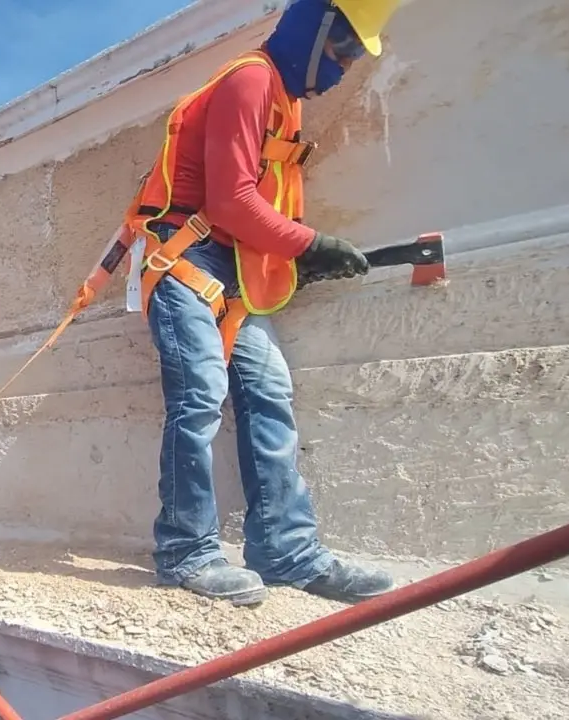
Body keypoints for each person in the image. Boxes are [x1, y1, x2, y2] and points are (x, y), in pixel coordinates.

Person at [124, 0, 401, 607]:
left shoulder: (286, 100)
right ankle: (185, 552)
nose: (345, 66)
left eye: (356, 56)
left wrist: (294, 262)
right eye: (344, 48)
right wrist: (312, 246)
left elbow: (265, 205)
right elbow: (229, 202)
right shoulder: (250, 79)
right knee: (199, 397)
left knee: (269, 392)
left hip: (235, 270)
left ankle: (287, 552)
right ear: (315, 28)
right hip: (186, 260)